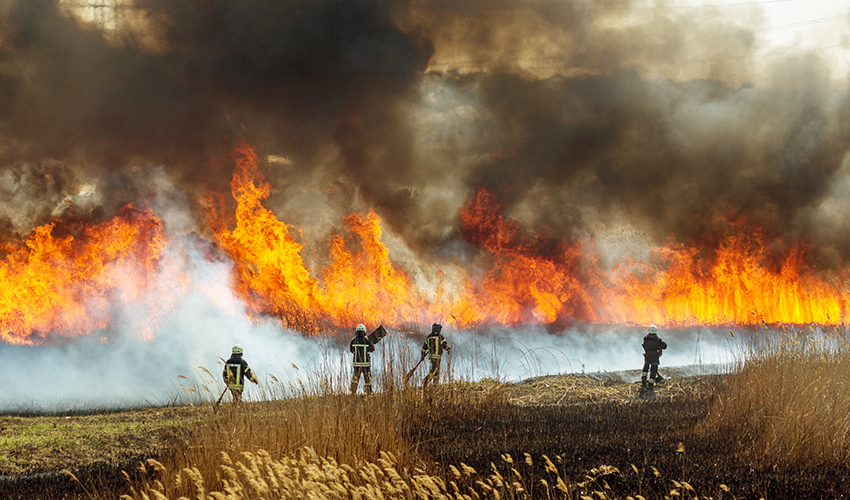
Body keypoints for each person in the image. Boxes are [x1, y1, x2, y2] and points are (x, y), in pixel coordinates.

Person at [421, 323, 451, 389]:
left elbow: (424, 348)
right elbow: (444, 345)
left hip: (431, 356)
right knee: (435, 369)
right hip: (437, 357)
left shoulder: (428, 336)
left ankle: (435, 383)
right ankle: (426, 380)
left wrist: (422, 355)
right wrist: (448, 349)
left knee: (436, 370)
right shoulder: (440, 336)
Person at [350, 324, 375, 395]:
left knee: (355, 377)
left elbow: (351, 350)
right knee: (367, 378)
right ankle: (368, 392)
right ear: (364, 331)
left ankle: (353, 391)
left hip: (356, 364)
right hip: (366, 364)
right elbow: (372, 349)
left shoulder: (353, 340)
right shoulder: (367, 340)